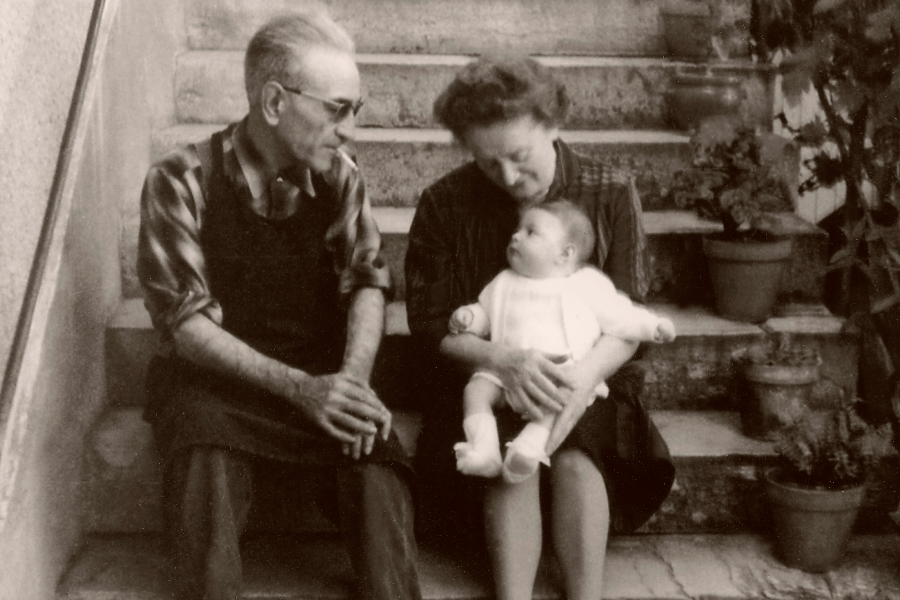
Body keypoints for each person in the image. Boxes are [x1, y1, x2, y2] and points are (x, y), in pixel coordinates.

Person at [137, 11, 421, 600]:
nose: (350, 130)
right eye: (337, 109)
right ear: (273, 102)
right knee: (203, 454)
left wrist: (351, 384)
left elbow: (368, 281)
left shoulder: (341, 177)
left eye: (355, 111)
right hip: (215, 384)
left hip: (319, 372)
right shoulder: (181, 179)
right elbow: (185, 326)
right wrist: (300, 389)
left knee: (375, 461)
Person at [405, 54, 676, 600]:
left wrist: (576, 382)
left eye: (519, 156)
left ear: (553, 125)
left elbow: (627, 320)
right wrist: (503, 360)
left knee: (579, 450)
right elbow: (430, 325)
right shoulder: (444, 204)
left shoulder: (610, 190)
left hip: (591, 371)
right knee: (508, 458)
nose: (507, 177)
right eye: (487, 163)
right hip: (487, 379)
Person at [449, 200, 676, 484]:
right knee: (476, 390)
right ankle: (484, 448)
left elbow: (619, 316)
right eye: (517, 230)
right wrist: (469, 318)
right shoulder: (504, 281)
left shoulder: (587, 284)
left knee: (558, 403)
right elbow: (485, 312)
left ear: (566, 254)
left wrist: (652, 326)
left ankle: (529, 447)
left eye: (531, 232)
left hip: (561, 375)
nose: (516, 236)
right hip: (507, 375)